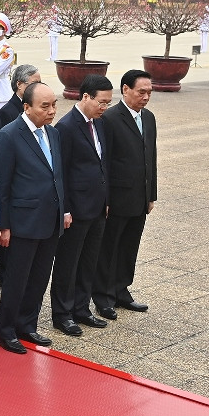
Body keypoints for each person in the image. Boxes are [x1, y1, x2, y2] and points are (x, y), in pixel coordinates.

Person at [0, 82, 65, 352]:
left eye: (54, 105)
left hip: (50, 219)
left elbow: (57, 175)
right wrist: (5, 225)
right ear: (26, 107)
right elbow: (2, 184)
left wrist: (63, 210)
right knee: (17, 280)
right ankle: (6, 329)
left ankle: (27, 325)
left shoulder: (53, 134)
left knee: (38, 278)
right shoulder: (10, 135)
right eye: (44, 106)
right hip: (22, 222)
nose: (51, 111)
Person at [52, 74, 112, 337]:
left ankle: (82, 308)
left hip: (97, 207)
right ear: (85, 97)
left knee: (89, 261)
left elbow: (102, 165)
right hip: (75, 209)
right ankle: (62, 314)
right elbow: (60, 172)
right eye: (101, 102)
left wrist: (107, 199)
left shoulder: (99, 123)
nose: (105, 107)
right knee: (68, 262)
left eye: (108, 103)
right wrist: (64, 209)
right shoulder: (66, 127)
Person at [95, 69, 156, 319]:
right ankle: (103, 296)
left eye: (149, 93)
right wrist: (106, 199)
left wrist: (151, 194)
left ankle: (122, 290)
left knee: (130, 246)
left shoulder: (149, 118)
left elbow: (151, 157)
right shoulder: (109, 118)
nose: (146, 97)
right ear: (125, 90)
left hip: (140, 196)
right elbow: (104, 162)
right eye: (141, 92)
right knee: (110, 247)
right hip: (117, 197)